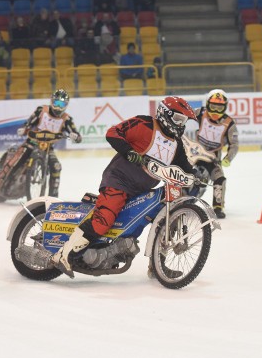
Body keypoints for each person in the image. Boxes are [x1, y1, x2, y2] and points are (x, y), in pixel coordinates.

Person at [51, 96, 201, 276]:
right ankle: (63, 254)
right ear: (165, 114)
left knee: (163, 220)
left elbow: (184, 166)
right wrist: (128, 151)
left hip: (142, 191)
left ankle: (157, 266)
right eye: (178, 119)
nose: (181, 125)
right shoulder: (145, 124)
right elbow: (113, 133)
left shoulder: (176, 144)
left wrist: (195, 175)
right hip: (118, 181)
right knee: (104, 220)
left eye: (184, 121)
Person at [0, 89, 81, 198]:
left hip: (48, 148)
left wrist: (75, 137)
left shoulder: (67, 119)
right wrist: (24, 129)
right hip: (31, 143)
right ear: (52, 101)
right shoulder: (41, 110)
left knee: (56, 167)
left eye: (62, 104)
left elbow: (77, 135)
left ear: (66, 105)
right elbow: (28, 123)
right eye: (57, 103)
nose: (59, 107)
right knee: (15, 161)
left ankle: (53, 198)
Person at [192, 89, 239, 219]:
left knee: (219, 179)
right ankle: (181, 198)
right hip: (194, 155)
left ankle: (218, 207)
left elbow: (234, 144)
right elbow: (186, 117)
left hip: (213, 159)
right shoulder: (200, 113)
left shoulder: (229, 123)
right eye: (213, 107)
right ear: (207, 105)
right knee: (188, 175)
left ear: (225, 107)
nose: (215, 112)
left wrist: (228, 159)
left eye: (220, 108)